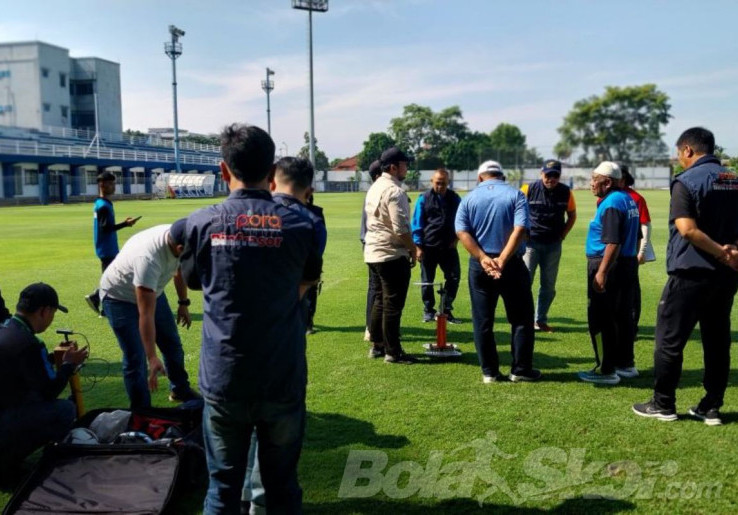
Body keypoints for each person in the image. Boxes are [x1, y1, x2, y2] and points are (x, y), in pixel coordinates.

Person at [178, 123, 322, 514]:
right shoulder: (301, 224)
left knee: (222, 490)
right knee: (281, 488)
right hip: (281, 373)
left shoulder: (202, 222)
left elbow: (191, 280)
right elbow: (309, 276)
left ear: (223, 171)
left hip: (225, 376)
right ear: (272, 170)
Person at [633, 127, 738, 425]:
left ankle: (663, 404)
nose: (679, 158)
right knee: (717, 340)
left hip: (691, 273)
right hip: (726, 275)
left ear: (688, 150)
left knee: (669, 340)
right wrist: (732, 253)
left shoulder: (685, 181)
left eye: (679, 153)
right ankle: (711, 405)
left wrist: (719, 251)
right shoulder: (733, 178)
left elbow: (687, 229)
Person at [455, 160, 541, 383]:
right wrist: (502, 259)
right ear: (501, 176)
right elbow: (520, 229)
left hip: (480, 265)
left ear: (480, 176)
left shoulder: (469, 198)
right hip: (511, 263)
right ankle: (520, 370)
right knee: (521, 318)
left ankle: (490, 372)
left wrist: (483, 258)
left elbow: (462, 232)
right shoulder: (516, 195)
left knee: (483, 321)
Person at [99, 220, 199, 409]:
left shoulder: (178, 235)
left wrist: (183, 303)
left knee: (172, 344)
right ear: (179, 248)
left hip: (153, 290)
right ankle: (142, 411)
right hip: (119, 297)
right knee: (136, 359)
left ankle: (179, 389)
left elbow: (178, 269)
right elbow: (145, 314)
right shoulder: (149, 259)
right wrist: (152, 356)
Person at [0, 283, 88, 480]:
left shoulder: (6, 329)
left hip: (5, 408)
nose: (51, 319)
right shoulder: (29, 343)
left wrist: (50, 359)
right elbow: (49, 391)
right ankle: (9, 463)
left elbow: (22, 368)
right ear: (44, 311)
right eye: (53, 313)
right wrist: (67, 365)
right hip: (5, 422)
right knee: (64, 409)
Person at [579, 162, 640, 385]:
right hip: (627, 264)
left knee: (601, 318)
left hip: (608, 264)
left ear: (607, 182)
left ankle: (606, 370)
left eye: (594, 179)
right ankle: (626, 364)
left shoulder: (612, 202)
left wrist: (602, 272)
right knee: (623, 316)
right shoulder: (627, 198)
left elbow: (613, 241)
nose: (591, 184)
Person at [364, 147, 418, 364]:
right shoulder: (395, 191)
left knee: (379, 300)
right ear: (394, 167)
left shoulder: (376, 186)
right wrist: (413, 249)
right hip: (391, 253)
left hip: (374, 251)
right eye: (405, 164)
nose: (407, 168)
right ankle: (393, 351)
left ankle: (378, 345)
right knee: (393, 305)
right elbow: (401, 228)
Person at [521, 159, 577, 332]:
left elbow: (572, 215)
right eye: (548, 175)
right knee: (524, 283)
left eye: (555, 175)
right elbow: (516, 211)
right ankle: (523, 319)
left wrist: (562, 235)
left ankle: (540, 320)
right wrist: (522, 234)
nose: (551, 179)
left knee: (548, 286)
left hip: (553, 245)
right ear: (541, 173)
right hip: (531, 244)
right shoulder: (527, 189)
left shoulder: (566, 192)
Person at [411, 168, 462, 324]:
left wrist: (457, 239)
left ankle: (446, 308)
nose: (440, 186)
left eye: (444, 183)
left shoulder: (455, 199)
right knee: (427, 281)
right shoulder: (423, 199)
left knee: (454, 277)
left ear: (448, 183)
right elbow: (417, 224)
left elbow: (462, 220)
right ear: (432, 182)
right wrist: (418, 247)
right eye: (438, 183)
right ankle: (428, 310)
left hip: (449, 247)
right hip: (428, 247)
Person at [85, 170, 139, 314]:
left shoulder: (100, 202)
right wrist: (125, 224)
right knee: (112, 277)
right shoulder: (103, 206)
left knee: (112, 276)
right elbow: (105, 228)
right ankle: (98, 299)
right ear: (102, 185)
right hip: (107, 249)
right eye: (111, 183)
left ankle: (99, 300)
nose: (114, 186)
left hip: (106, 247)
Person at [619, 165, 652, 338]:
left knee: (631, 289)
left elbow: (645, 225)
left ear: (623, 179)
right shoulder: (606, 197)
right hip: (611, 251)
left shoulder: (636, 198)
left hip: (630, 251)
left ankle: (632, 325)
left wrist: (642, 251)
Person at [360, 160, 382, 342]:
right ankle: (371, 327)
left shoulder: (374, 192)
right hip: (375, 246)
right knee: (376, 288)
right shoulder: (376, 193)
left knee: (376, 288)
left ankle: (373, 327)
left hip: (371, 244)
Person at [304, 189, 327, 335]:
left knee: (310, 290)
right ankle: (306, 323)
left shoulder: (316, 213)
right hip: (308, 256)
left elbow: (321, 237)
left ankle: (308, 322)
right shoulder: (316, 212)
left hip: (309, 257)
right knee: (309, 290)